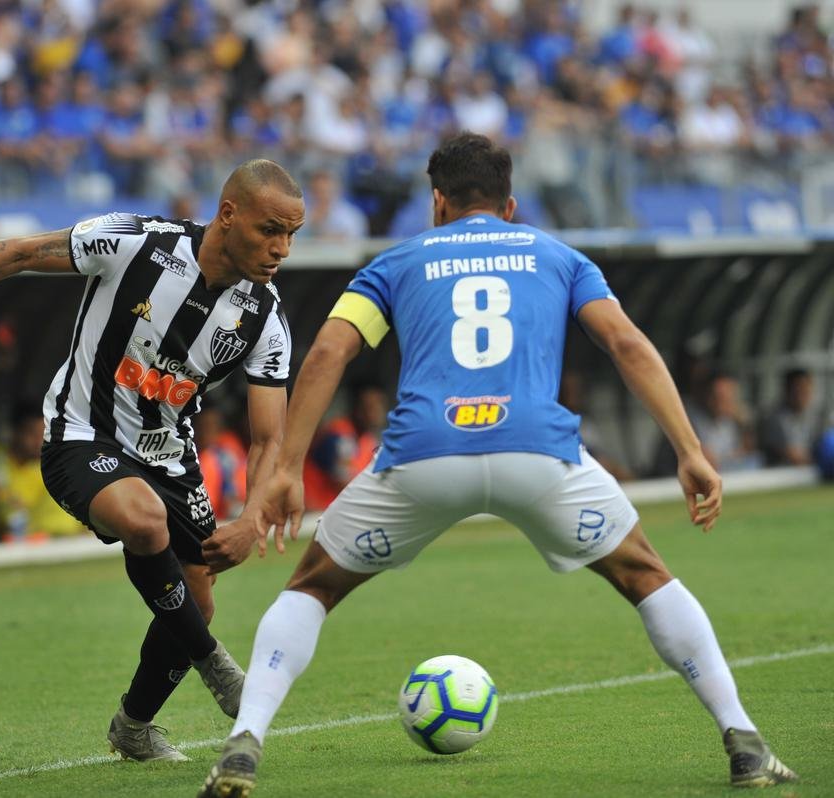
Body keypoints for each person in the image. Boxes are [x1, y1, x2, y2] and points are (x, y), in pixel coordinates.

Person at [199, 134, 797, 796]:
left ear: (437, 202)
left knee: (313, 587)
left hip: (424, 455)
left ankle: (245, 742)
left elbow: (326, 357)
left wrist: (283, 468)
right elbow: (626, 342)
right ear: (509, 205)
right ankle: (743, 741)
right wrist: (690, 449)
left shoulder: (396, 262)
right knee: (646, 574)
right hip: (536, 452)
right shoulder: (559, 256)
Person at [0, 158, 304, 761]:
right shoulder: (138, 245)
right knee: (145, 522)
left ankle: (133, 727)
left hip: (169, 455)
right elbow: (17, 253)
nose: (283, 249)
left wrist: (249, 518)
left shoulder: (265, 318)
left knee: (200, 600)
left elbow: (268, 437)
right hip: (82, 435)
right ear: (228, 214)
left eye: (292, 235)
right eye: (272, 229)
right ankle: (215, 664)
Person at [0, 402, 83, 542]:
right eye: (32, 434)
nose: (39, 442)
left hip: (16, 536)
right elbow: (8, 515)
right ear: (15, 432)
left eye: (44, 433)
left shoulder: (39, 466)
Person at [301, 381, 388, 509]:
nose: (376, 413)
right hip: (313, 510)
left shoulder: (369, 440)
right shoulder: (337, 434)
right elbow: (343, 484)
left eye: (379, 406)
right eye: (370, 407)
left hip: (335, 511)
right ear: (356, 408)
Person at [691, 371, 762, 472]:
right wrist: (732, 457)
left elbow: (749, 455)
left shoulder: (730, 422)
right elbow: (708, 463)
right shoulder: (693, 421)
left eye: (730, 396)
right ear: (709, 396)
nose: (727, 401)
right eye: (721, 397)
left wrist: (745, 425)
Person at [759, 368, 822, 466]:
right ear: (787, 390)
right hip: (782, 472)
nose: (804, 394)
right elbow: (790, 454)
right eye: (799, 389)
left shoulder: (819, 414)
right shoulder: (773, 418)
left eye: (807, 388)